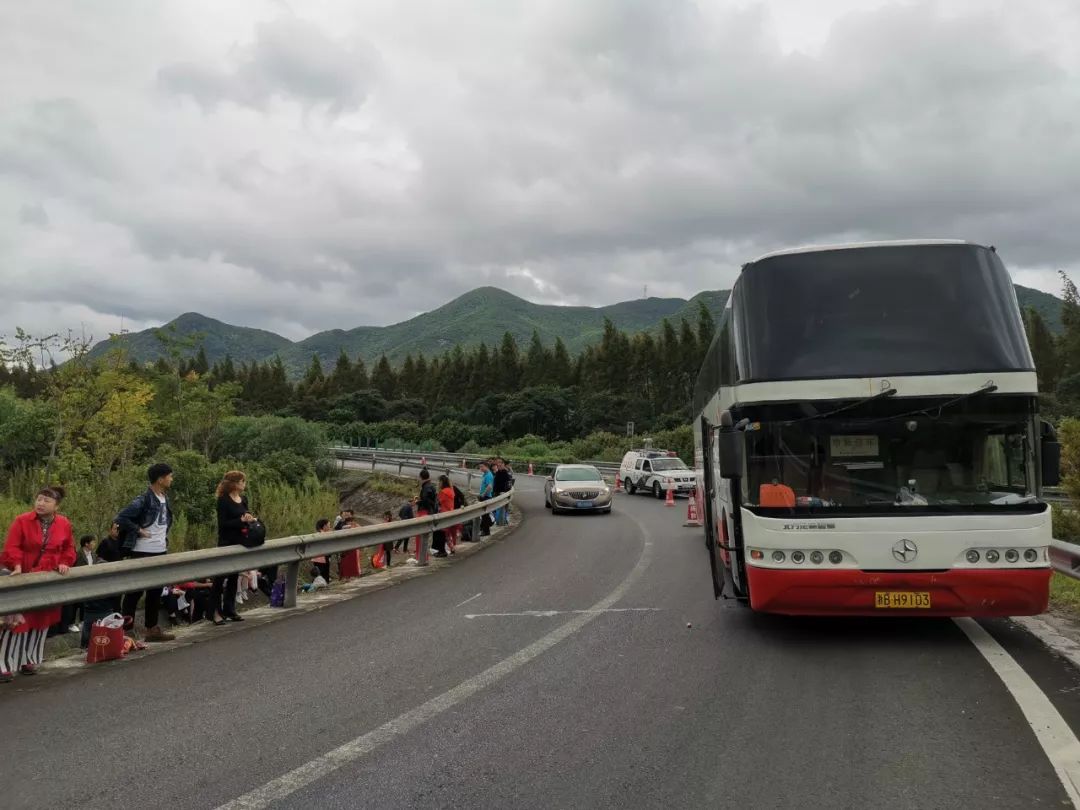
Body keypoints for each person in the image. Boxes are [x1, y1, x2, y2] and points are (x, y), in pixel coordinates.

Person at [1, 486, 76, 681]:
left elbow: (69, 548)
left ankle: (29, 660)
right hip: (24, 575)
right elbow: (12, 546)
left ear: (56, 505)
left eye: (46, 501)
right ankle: (4, 665)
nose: (41, 503)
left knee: (40, 621)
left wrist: (64, 563)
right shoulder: (22, 521)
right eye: (39, 499)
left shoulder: (63, 523)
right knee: (15, 622)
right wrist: (15, 564)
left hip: (47, 577)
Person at [116, 463, 177, 642]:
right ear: (160, 479)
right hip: (142, 551)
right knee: (134, 592)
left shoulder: (164, 497)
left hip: (159, 550)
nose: (171, 479)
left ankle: (152, 629)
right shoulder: (143, 499)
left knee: (155, 591)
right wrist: (138, 530)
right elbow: (121, 517)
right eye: (169, 476)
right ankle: (125, 632)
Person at [212, 470, 256, 626]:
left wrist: (249, 518)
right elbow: (223, 524)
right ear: (235, 483)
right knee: (220, 578)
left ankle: (230, 609)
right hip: (226, 542)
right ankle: (216, 611)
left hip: (240, 541)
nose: (244, 484)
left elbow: (246, 513)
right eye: (242, 481)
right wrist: (240, 520)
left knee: (233, 577)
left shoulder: (243, 499)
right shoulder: (223, 500)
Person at [417, 469, 440, 559]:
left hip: (424, 511)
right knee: (425, 535)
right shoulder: (431, 486)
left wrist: (420, 503)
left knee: (420, 535)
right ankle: (423, 556)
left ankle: (421, 557)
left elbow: (426, 500)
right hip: (430, 511)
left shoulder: (426, 487)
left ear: (421, 477)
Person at [437, 474, 457, 556]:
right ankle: (452, 547)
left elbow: (439, 502)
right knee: (449, 533)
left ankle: (445, 550)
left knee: (444, 533)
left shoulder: (443, 492)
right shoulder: (451, 490)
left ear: (442, 482)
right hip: (451, 513)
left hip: (444, 513)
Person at [493, 458, 512, 526]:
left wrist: (505, 492)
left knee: (503, 508)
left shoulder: (506, 473)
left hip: (503, 494)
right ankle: (499, 521)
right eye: (498, 463)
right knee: (496, 508)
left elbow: (509, 484)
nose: (499, 464)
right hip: (496, 493)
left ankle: (503, 521)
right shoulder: (498, 473)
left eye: (501, 463)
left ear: (504, 464)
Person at [478, 462, 495, 536]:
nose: (480, 469)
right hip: (485, 496)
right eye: (480, 467)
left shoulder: (488, 475)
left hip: (486, 497)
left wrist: (483, 495)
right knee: (484, 515)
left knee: (485, 515)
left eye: (482, 467)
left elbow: (489, 486)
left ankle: (486, 531)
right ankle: (483, 529)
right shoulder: (486, 474)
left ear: (486, 467)